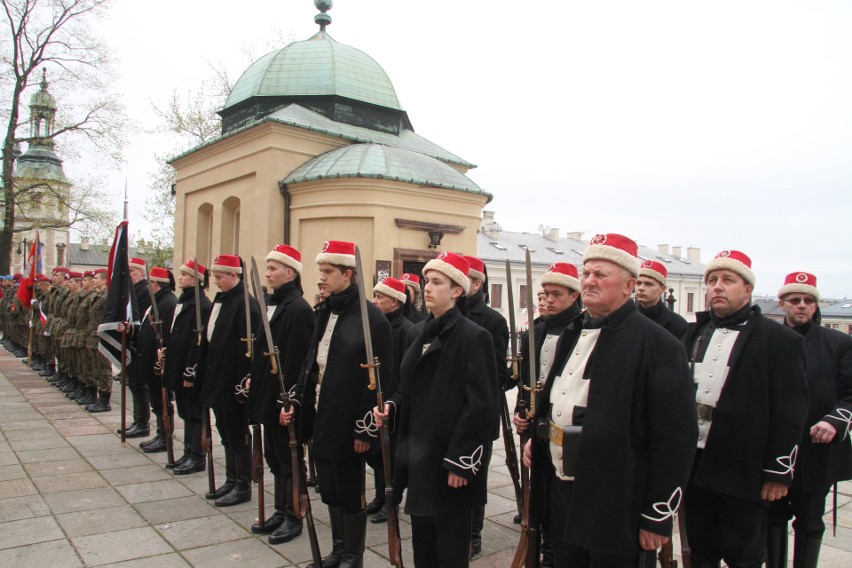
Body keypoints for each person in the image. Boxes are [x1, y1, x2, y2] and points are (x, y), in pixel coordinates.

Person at [523, 233, 697, 567]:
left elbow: (675, 439)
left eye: (600, 274)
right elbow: (558, 396)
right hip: (561, 489)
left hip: (615, 497)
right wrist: (539, 434)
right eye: (585, 272)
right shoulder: (574, 331)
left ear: (629, 285)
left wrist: (657, 516)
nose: (589, 280)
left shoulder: (659, 346)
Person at [681, 250, 809, 568]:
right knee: (700, 552)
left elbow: (790, 410)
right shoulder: (693, 334)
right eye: (712, 280)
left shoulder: (780, 341)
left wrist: (778, 472)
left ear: (748, 289)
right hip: (694, 464)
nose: (717, 287)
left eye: (728, 280)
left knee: (745, 556)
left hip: (743, 469)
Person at [375, 251, 499, 567]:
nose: (427, 287)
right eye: (426, 281)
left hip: (448, 462)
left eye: (437, 282)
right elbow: (407, 389)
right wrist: (391, 406)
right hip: (419, 458)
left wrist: (461, 461)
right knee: (424, 547)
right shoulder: (417, 333)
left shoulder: (475, 337)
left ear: (457, 290)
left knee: (450, 550)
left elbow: (481, 406)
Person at [286, 240, 391, 568]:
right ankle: (338, 549)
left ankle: (353, 556)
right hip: (322, 414)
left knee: (349, 489)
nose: (322, 278)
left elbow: (378, 381)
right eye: (321, 271)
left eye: (328, 272)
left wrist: (364, 429)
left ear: (348, 274)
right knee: (329, 487)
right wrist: (296, 398)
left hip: (350, 422)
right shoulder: (325, 311)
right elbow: (311, 363)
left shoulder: (372, 319)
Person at [766, 272, 852, 568]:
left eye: (808, 300)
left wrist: (835, 421)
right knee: (771, 516)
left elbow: (850, 393)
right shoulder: (768, 340)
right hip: (774, 447)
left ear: (816, 306)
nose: (801, 305)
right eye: (794, 300)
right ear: (782, 304)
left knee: (810, 518)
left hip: (817, 448)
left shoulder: (838, 343)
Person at [513, 262, 584, 568]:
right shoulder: (536, 330)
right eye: (545, 293)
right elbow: (525, 379)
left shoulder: (580, 332)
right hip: (533, 420)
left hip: (560, 423)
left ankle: (554, 553)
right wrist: (520, 410)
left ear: (573, 296)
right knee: (536, 492)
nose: (549, 299)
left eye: (557, 294)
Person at [245, 244, 315, 545]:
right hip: (266, 392)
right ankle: (280, 508)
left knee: (290, 458)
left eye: (273, 268)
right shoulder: (272, 304)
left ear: (290, 272)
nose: (269, 273)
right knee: (274, 456)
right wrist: (252, 376)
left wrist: (287, 400)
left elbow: (298, 360)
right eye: (268, 267)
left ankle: (294, 514)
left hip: (284, 398)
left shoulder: (298, 309)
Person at [197, 254, 260, 507]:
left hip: (233, 381)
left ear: (233, 275)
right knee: (224, 431)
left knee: (237, 433)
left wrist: (244, 381)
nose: (216, 282)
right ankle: (231, 478)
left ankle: (243, 484)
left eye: (219, 276)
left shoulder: (247, 305)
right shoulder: (221, 301)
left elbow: (250, 349)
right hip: (217, 377)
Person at [462, 254, 508, 559]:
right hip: (448, 412)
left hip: (478, 410)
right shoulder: (442, 314)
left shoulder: (493, 321)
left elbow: (499, 374)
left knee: (474, 475)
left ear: (476, 283)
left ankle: (473, 534)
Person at [366, 276, 413, 524]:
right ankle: (378, 496)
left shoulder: (406, 329)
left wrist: (395, 400)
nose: (375, 301)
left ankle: (391, 501)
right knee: (378, 454)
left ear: (395, 302)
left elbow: (405, 370)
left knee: (392, 456)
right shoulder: (377, 325)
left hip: (395, 401)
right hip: (378, 398)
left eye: (380, 297)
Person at [161, 260, 211, 475]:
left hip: (189, 369)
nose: (179, 278)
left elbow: (198, 342)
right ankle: (188, 451)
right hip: (177, 364)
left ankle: (197, 456)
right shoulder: (184, 301)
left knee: (194, 413)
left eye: (183, 274)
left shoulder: (202, 305)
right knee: (185, 411)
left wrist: (191, 370)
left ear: (195, 279)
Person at [138, 267, 178, 454]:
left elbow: (167, 334)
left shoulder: (168, 302)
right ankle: (160, 432)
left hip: (159, 362)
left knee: (162, 401)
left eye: (149, 283)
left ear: (155, 283)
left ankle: (165, 435)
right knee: (155, 399)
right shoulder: (158, 301)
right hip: (150, 359)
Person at [118, 257, 153, 438]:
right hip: (131, 341)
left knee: (140, 385)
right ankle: (137, 419)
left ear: (141, 272)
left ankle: (142, 423)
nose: (130, 275)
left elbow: (141, 318)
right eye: (128, 271)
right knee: (132, 383)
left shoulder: (144, 291)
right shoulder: (130, 291)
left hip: (139, 343)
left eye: (133, 271)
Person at [634, 260, 687, 339]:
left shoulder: (678, 324)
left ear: (663, 289)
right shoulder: (624, 317)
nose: (641, 288)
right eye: (638, 283)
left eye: (648, 284)